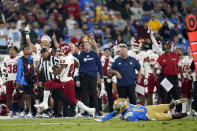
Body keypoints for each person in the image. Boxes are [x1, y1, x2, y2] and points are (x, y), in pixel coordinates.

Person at [35, 44, 95, 116]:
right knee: (46, 85)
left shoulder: (65, 59)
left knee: (73, 100)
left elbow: (59, 73)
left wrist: (50, 70)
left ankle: (89, 110)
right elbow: (78, 64)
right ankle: (45, 103)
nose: (60, 52)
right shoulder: (70, 56)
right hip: (63, 80)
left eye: (61, 51)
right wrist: (75, 72)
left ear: (66, 51)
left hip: (67, 82)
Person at [96, 98, 196, 122]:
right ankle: (175, 102)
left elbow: (136, 120)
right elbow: (113, 114)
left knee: (172, 117)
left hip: (151, 115)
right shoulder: (128, 105)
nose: (116, 110)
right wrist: (102, 119)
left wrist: (122, 118)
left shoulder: (128, 115)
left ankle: (188, 112)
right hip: (148, 108)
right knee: (168, 107)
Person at [154, 41, 183, 113]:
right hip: (165, 77)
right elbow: (155, 67)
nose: (166, 50)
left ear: (170, 48)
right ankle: (165, 111)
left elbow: (179, 67)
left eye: (168, 48)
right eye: (165, 48)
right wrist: (154, 75)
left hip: (174, 77)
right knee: (165, 95)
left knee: (176, 94)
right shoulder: (161, 57)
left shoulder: (175, 56)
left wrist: (182, 76)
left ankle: (179, 111)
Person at [76, 40, 103, 115]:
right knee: (85, 95)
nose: (87, 46)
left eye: (88, 45)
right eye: (85, 45)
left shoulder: (94, 54)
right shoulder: (80, 55)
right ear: (83, 46)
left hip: (93, 77)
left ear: (90, 46)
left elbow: (100, 66)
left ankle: (96, 111)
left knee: (94, 94)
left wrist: (101, 77)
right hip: (84, 77)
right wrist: (77, 79)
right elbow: (77, 68)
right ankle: (86, 111)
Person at [16, 45, 36, 118]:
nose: (27, 50)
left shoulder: (31, 59)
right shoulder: (20, 59)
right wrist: (18, 82)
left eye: (28, 49)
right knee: (23, 97)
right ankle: (22, 111)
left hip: (30, 80)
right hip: (23, 80)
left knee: (28, 97)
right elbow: (19, 71)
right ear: (23, 51)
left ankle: (27, 112)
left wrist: (34, 81)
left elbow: (33, 71)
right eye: (26, 49)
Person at [1, 46, 19, 116]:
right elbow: (5, 67)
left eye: (13, 50)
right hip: (9, 79)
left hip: (16, 79)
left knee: (19, 95)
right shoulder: (6, 58)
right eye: (10, 50)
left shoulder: (18, 58)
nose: (11, 51)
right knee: (8, 96)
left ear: (16, 51)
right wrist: (3, 75)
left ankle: (21, 110)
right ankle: (10, 111)